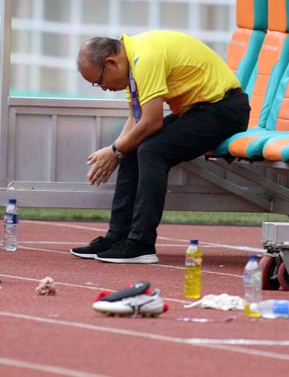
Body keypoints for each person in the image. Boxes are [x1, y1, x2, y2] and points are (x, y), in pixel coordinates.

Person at [70, 30, 251, 264]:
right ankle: (118, 237)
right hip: (200, 111)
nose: (103, 88)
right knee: (132, 148)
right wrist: (117, 151)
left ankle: (141, 244)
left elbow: (152, 121)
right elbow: (136, 120)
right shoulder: (132, 65)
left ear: (111, 63)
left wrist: (114, 151)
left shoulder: (144, 59)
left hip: (224, 110)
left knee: (152, 150)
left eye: (99, 81)